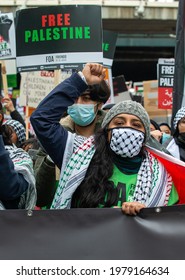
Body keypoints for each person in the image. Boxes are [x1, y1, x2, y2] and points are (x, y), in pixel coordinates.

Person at [30, 63, 178, 215]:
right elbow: (41, 119)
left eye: (136, 125)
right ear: (107, 131)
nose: (127, 128)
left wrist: (145, 213)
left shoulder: (162, 177)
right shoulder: (80, 155)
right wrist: (80, 81)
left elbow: (170, 222)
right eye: (119, 123)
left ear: (145, 136)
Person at [34, 76, 111, 208]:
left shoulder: (111, 137)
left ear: (99, 104)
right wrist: (51, 158)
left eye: (86, 99)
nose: (78, 103)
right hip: (61, 219)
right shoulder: (54, 137)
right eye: (74, 98)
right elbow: (40, 198)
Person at [0, 102, 36, 209]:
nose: (6, 131)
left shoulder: (21, 156)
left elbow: (11, 188)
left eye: (11, 131)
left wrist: (12, 110)